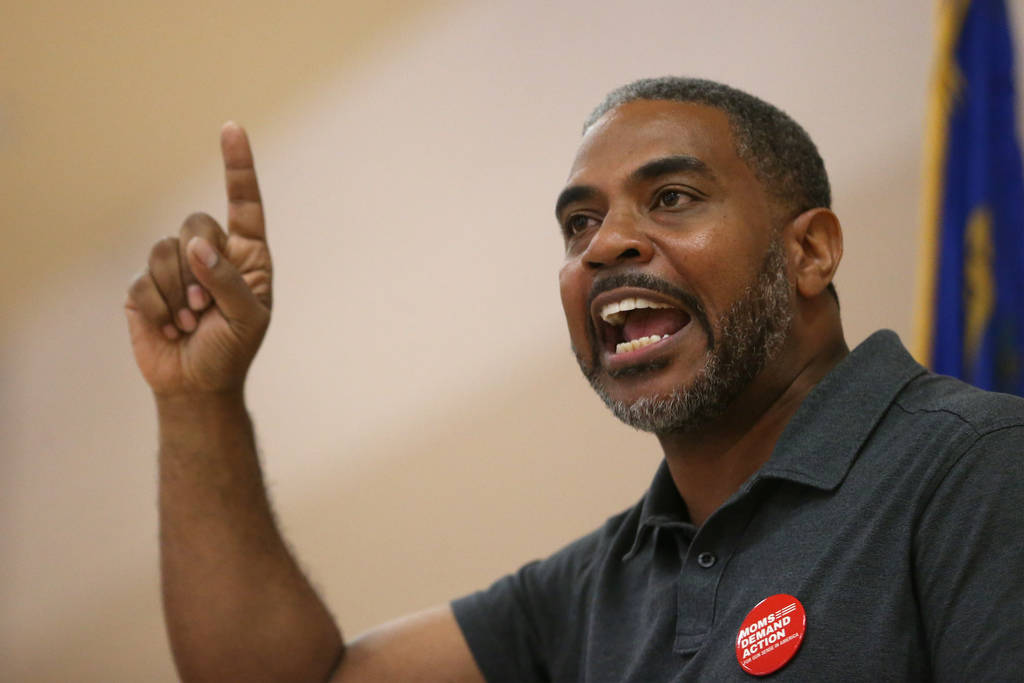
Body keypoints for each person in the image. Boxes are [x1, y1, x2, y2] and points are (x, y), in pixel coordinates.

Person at [124, 77, 1024, 682]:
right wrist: (199, 399)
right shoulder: (599, 583)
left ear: (810, 250)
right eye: (578, 223)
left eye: (670, 198)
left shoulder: (977, 467)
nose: (605, 245)